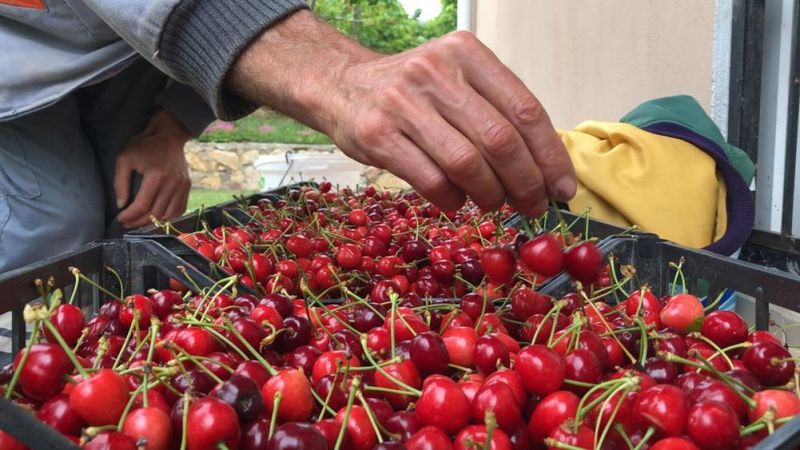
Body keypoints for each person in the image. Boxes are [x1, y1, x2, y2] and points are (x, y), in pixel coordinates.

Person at [0, 0, 577, 273]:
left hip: (127, 53)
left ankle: (79, 364)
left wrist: (169, 130)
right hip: (19, 48)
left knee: (122, 219)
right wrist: (338, 75)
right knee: (53, 226)